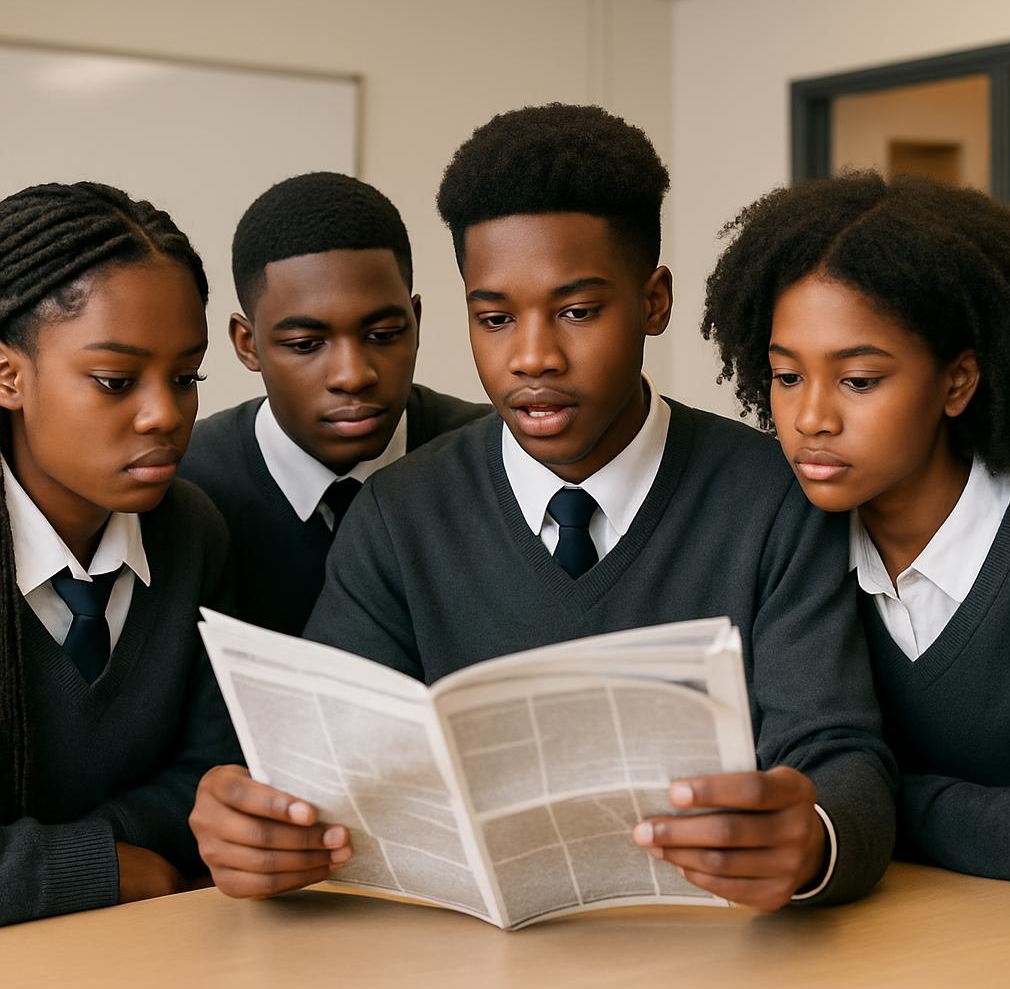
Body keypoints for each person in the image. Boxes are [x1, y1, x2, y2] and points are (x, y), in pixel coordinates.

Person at [190, 105, 896, 910]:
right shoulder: (396, 514)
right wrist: (260, 823)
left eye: (576, 312)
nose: (532, 357)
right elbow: (324, 771)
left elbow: (842, 755)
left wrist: (814, 839)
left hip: (715, 947)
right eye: (494, 319)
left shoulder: (773, 496)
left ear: (654, 301)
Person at [701, 170, 1010, 881]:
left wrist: (879, 805)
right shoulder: (780, 552)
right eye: (788, 377)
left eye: (858, 381)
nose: (812, 418)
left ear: (957, 382)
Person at [0, 181, 239, 925]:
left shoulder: (191, 532)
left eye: (186, 377)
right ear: (8, 375)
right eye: (116, 381)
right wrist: (98, 867)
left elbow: (213, 774)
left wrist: (103, 853)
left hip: (143, 947)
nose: (166, 414)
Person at [179, 172, 489, 636]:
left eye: (383, 335)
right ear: (247, 343)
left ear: (416, 321)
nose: (353, 375)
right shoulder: (185, 482)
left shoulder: (492, 460)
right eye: (306, 344)